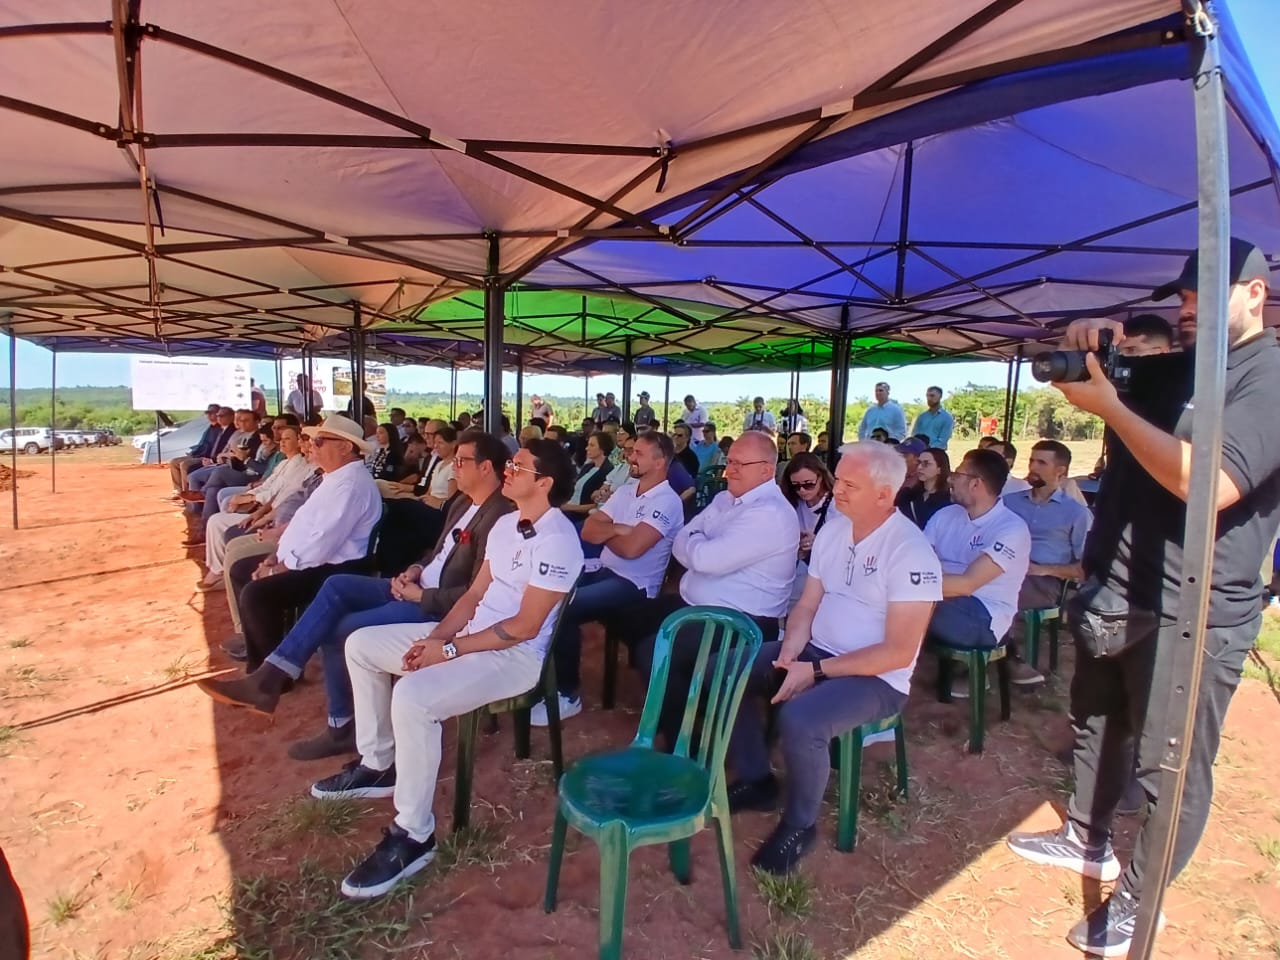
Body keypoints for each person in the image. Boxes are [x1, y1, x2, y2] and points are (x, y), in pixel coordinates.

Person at [1007, 239, 1280, 957]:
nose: (1187, 311)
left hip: (1196, 607)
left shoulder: (1269, 376)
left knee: (1172, 763)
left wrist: (1111, 410)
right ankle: (1086, 839)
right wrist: (1086, 353)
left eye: (1203, 297)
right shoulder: (1185, 366)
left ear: (1255, 294)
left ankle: (1141, 899)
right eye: (1183, 298)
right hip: (1120, 585)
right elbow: (1112, 379)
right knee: (1098, 718)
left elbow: (1207, 485)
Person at [309, 439, 582, 900]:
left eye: (519, 466)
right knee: (360, 645)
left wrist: (449, 650)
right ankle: (379, 764)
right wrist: (436, 640)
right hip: (468, 636)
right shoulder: (508, 526)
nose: (508, 471)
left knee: (414, 699)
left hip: (511, 658)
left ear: (545, 483)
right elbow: (473, 597)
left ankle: (414, 834)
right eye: (510, 464)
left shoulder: (558, 540)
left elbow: (522, 626)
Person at [196, 430, 513, 760]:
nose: (454, 467)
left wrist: (420, 595)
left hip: (437, 609)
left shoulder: (499, 517)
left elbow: (477, 593)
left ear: (486, 467)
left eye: (461, 461)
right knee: (336, 586)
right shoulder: (463, 502)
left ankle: (340, 725)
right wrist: (415, 570)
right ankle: (271, 676)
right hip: (415, 586)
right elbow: (436, 554)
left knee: (338, 629)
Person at [725, 442, 942, 874]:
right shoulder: (835, 530)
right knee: (726, 671)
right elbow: (806, 604)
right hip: (813, 650)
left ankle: (800, 825)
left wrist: (816, 670)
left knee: (802, 720)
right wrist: (790, 652)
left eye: (848, 484)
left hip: (877, 677)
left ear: (884, 494)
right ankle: (756, 779)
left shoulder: (910, 552)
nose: (836, 490)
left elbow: (898, 652)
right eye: (838, 479)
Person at [631, 431, 800, 746]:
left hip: (743, 621)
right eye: (729, 461)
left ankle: (685, 743)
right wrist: (698, 547)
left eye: (740, 464)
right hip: (697, 605)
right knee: (633, 617)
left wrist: (698, 547)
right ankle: (679, 706)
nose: (729, 470)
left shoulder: (770, 514)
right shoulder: (726, 499)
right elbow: (683, 536)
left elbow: (705, 557)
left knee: (656, 650)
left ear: (766, 470)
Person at [536, 431, 685, 724]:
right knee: (545, 591)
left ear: (660, 461)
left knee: (565, 607)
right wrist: (619, 529)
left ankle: (568, 694)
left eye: (639, 454)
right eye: (632, 452)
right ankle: (537, 676)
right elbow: (589, 529)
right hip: (603, 571)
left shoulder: (667, 501)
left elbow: (633, 549)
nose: (630, 457)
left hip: (634, 586)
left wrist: (613, 529)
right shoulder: (627, 490)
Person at [232, 416, 383, 671]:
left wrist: (279, 568)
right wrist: (277, 557)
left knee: (256, 593)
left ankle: (270, 675)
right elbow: (303, 528)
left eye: (320, 441)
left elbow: (322, 542)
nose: (311, 445)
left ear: (346, 447)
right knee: (240, 570)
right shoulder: (334, 477)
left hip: (337, 570)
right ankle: (265, 650)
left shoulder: (350, 486)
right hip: (317, 560)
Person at [922, 447, 1031, 696]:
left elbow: (967, 584)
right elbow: (917, 560)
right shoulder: (946, 515)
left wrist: (902, 583)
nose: (950, 479)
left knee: (901, 605)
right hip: (943, 598)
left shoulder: (1011, 528)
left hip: (984, 616)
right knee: (893, 605)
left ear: (976, 484)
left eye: (957, 474)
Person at [1001, 440, 1091, 686]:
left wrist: (1042, 569)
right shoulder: (1010, 503)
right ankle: (983, 655)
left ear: (1060, 471)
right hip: (1003, 568)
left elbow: (1087, 567)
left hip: (1044, 581)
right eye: (1031, 460)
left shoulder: (1076, 513)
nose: (1032, 467)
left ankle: (1010, 659)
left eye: (1041, 462)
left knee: (1001, 595)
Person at [196, 426, 311, 590]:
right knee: (224, 505)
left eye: (288, 439)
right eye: (282, 438)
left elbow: (277, 496)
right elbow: (270, 487)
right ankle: (217, 566)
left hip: (275, 519)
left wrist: (252, 502)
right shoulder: (285, 463)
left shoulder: (300, 465)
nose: (281, 442)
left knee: (217, 520)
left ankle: (218, 570)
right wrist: (249, 496)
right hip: (267, 509)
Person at [780, 452, 835, 608]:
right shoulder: (792, 502)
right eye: (796, 486)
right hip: (800, 566)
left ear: (821, 478)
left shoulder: (836, 505)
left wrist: (818, 541)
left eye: (808, 484)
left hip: (826, 571)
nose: (802, 490)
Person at [169, 405, 235, 495]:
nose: (210, 416)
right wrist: (194, 452)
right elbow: (204, 444)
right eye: (208, 413)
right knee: (174, 462)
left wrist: (210, 459)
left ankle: (188, 493)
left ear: (231, 417)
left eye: (214, 414)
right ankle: (178, 491)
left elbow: (218, 450)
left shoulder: (226, 430)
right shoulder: (212, 428)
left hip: (208, 458)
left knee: (185, 464)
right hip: (202, 455)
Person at [562, 431, 615, 522]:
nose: (587, 448)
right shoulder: (588, 467)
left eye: (592, 445)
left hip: (580, 515)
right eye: (588, 445)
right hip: (569, 508)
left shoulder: (607, 471)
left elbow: (598, 504)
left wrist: (569, 507)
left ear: (602, 448)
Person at [898, 447, 951, 530]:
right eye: (919, 462)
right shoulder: (908, 494)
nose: (919, 467)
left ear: (939, 469)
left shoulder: (948, 500)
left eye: (926, 463)